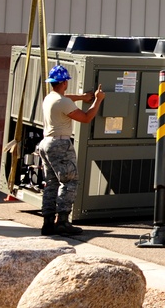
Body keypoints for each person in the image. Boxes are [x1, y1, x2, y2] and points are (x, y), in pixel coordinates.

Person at [37, 64, 104, 235]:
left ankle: (48, 223)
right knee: (69, 182)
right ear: (65, 82)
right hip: (60, 145)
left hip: (46, 144)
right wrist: (98, 100)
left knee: (51, 183)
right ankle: (63, 222)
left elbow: (66, 99)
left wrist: (82, 97)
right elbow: (87, 118)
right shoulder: (63, 102)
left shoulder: (50, 98)